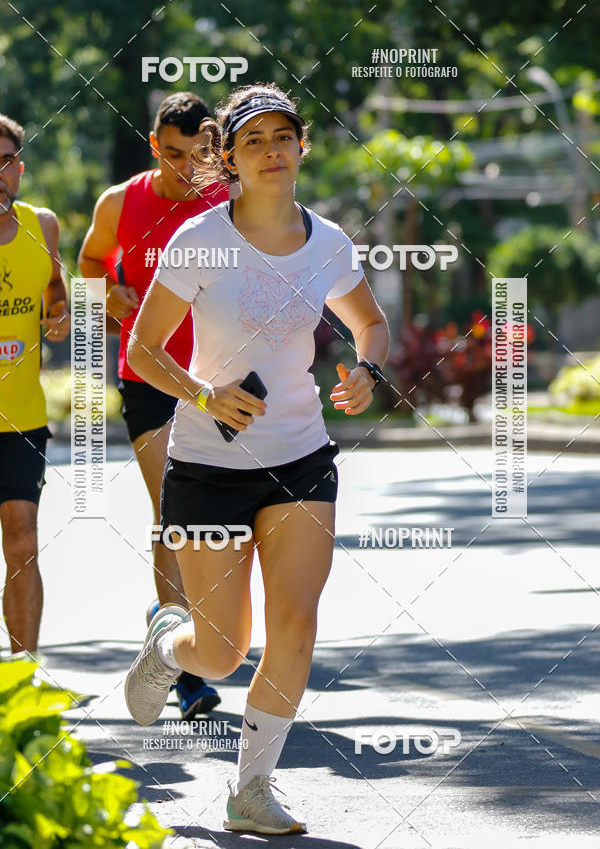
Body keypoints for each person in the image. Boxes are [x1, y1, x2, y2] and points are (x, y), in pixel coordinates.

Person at [124, 83, 389, 834]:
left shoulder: (329, 241)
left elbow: (369, 322)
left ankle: (252, 790)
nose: (273, 151)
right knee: (219, 652)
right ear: (231, 160)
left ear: (302, 147)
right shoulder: (200, 240)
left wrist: (366, 367)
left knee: (297, 623)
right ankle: (165, 648)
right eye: (254, 141)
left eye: (284, 137)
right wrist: (204, 395)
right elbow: (144, 350)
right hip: (207, 464)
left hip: (301, 456)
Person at [78, 92, 228, 717]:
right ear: (152, 146)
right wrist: (108, 292)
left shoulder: (228, 203)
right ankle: (183, 664)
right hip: (147, 378)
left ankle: (178, 626)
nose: (185, 169)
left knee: (217, 519)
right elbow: (88, 263)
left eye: (199, 156)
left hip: (219, 379)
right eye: (172, 155)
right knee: (174, 506)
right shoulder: (120, 202)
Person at [0, 113, 70, 654]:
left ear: (19, 170)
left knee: (22, 543)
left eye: (5, 163)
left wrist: (59, 312)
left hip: (21, 416)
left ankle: (24, 680)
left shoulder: (41, 225)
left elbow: (55, 292)